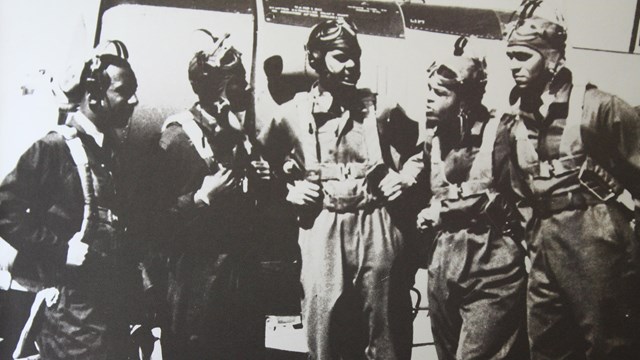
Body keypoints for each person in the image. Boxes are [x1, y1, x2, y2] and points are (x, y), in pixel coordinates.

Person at [259, 18, 424, 360]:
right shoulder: (291, 114)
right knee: (325, 330)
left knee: (387, 330)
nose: (351, 65)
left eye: (355, 56)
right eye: (340, 56)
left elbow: (422, 154)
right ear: (317, 61)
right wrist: (288, 189)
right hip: (323, 225)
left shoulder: (382, 110)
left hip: (376, 223)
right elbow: (260, 164)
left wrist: (405, 177)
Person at [497, 1, 640, 358]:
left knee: (607, 343)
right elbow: (517, 190)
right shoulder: (517, 121)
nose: (513, 66)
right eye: (510, 57)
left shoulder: (598, 107)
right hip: (543, 243)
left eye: (522, 56)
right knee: (547, 343)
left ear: (551, 58)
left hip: (596, 238)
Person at [0, 40, 140, 359]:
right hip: (73, 321)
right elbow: (5, 211)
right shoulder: (54, 149)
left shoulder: (109, 152)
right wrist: (59, 250)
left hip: (110, 314)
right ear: (94, 97)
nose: (134, 100)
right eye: (124, 91)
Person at [154, 30, 267, 359]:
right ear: (215, 86)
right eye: (237, 81)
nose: (245, 89)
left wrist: (262, 181)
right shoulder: (176, 139)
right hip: (195, 289)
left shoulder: (237, 136)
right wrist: (201, 199)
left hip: (238, 283)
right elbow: (152, 224)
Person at [416, 37, 529, 360]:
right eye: (428, 90)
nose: (428, 100)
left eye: (439, 93)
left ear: (465, 99)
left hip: (493, 267)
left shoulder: (503, 133)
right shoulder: (431, 142)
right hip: (443, 269)